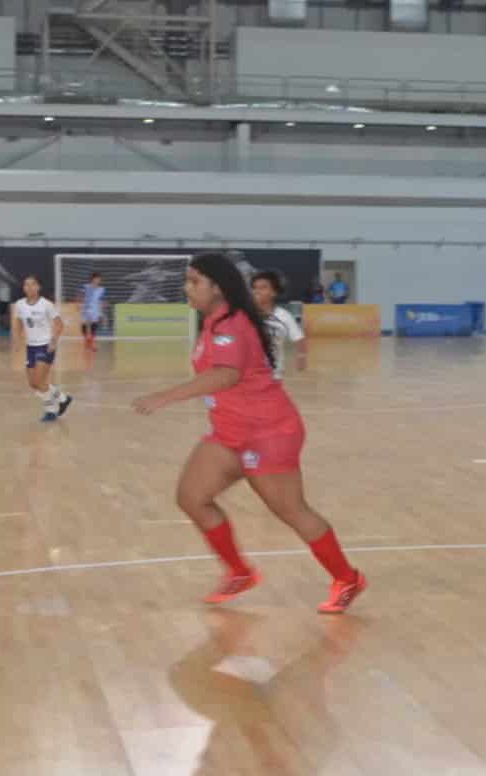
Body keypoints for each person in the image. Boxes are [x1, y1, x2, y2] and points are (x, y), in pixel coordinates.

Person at [132, 253, 367, 614]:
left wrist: (165, 396)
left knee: (292, 512)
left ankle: (347, 578)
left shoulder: (232, 324)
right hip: (230, 431)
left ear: (217, 286)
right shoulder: (213, 322)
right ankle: (240, 572)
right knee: (192, 496)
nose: (187, 288)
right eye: (187, 280)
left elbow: (226, 375)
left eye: (194, 281)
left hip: (268, 432)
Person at [13, 276, 72, 422]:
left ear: (38, 287)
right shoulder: (20, 304)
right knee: (33, 383)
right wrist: (17, 340)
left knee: (40, 381)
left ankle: (51, 411)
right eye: (26, 284)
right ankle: (63, 398)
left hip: (45, 345)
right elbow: (19, 322)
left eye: (33, 284)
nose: (29, 287)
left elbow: (59, 324)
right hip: (30, 346)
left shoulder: (46, 304)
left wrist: (53, 341)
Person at [249, 268, 306, 379]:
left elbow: (299, 338)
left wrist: (301, 355)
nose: (257, 291)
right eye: (254, 288)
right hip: (247, 376)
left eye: (263, 288)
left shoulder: (284, 316)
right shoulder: (244, 314)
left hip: (273, 375)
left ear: (274, 292)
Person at [79, 270, 106, 354]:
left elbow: (101, 301)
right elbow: (80, 296)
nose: (98, 280)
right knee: (84, 326)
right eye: (97, 279)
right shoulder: (85, 287)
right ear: (92, 279)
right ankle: (87, 342)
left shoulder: (101, 289)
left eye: (99, 279)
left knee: (94, 327)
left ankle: (92, 344)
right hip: (86, 308)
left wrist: (101, 313)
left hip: (95, 309)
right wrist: (79, 304)